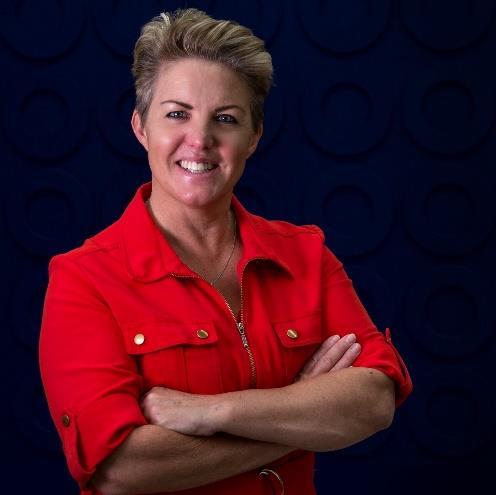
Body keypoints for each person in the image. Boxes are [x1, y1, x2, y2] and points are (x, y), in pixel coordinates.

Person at [39, 8, 413, 495]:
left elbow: (375, 399)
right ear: (140, 127)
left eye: (226, 119)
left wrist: (213, 412)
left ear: (253, 137)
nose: (200, 140)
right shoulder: (84, 279)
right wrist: (300, 414)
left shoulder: (306, 255)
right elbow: (120, 469)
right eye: (177, 114)